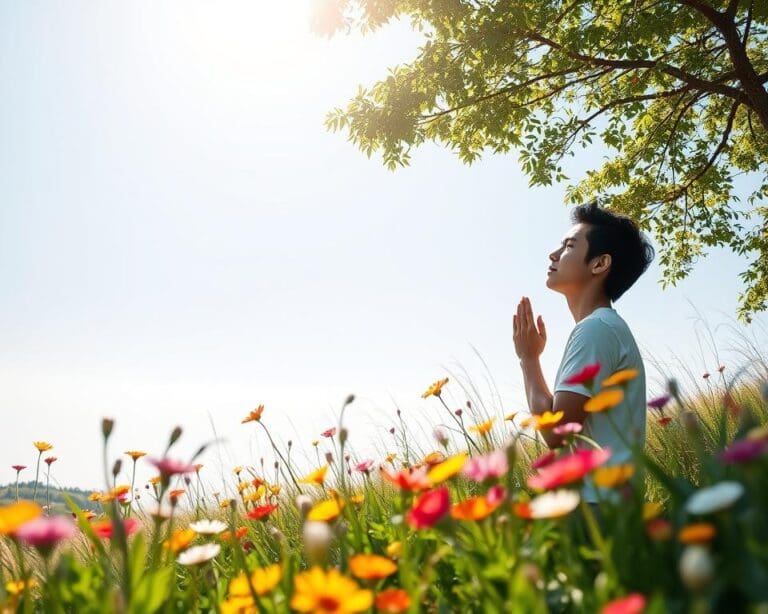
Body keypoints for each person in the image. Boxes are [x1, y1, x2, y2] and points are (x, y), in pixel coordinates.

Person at [513, 202, 655, 502]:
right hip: (609, 500)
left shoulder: (596, 329)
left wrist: (528, 359)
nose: (553, 254)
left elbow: (556, 432)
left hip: (599, 505)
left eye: (568, 246)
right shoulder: (604, 327)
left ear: (600, 264)